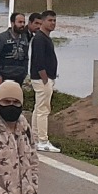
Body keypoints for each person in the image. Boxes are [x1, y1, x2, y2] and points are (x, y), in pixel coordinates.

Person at [29, 10, 60, 153]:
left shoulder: (45, 38)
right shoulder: (40, 39)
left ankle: (35, 138)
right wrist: (45, 79)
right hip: (42, 80)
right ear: (43, 21)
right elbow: (38, 61)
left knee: (38, 108)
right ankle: (42, 140)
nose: (53, 23)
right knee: (43, 109)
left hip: (44, 78)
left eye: (54, 21)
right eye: (50, 20)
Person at [0, 12, 33, 97]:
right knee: (2, 99)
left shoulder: (24, 38)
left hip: (19, 76)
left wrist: (25, 72)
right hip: (4, 75)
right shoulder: (2, 38)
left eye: (24, 22)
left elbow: (26, 57)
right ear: (12, 23)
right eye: (19, 22)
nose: (22, 25)